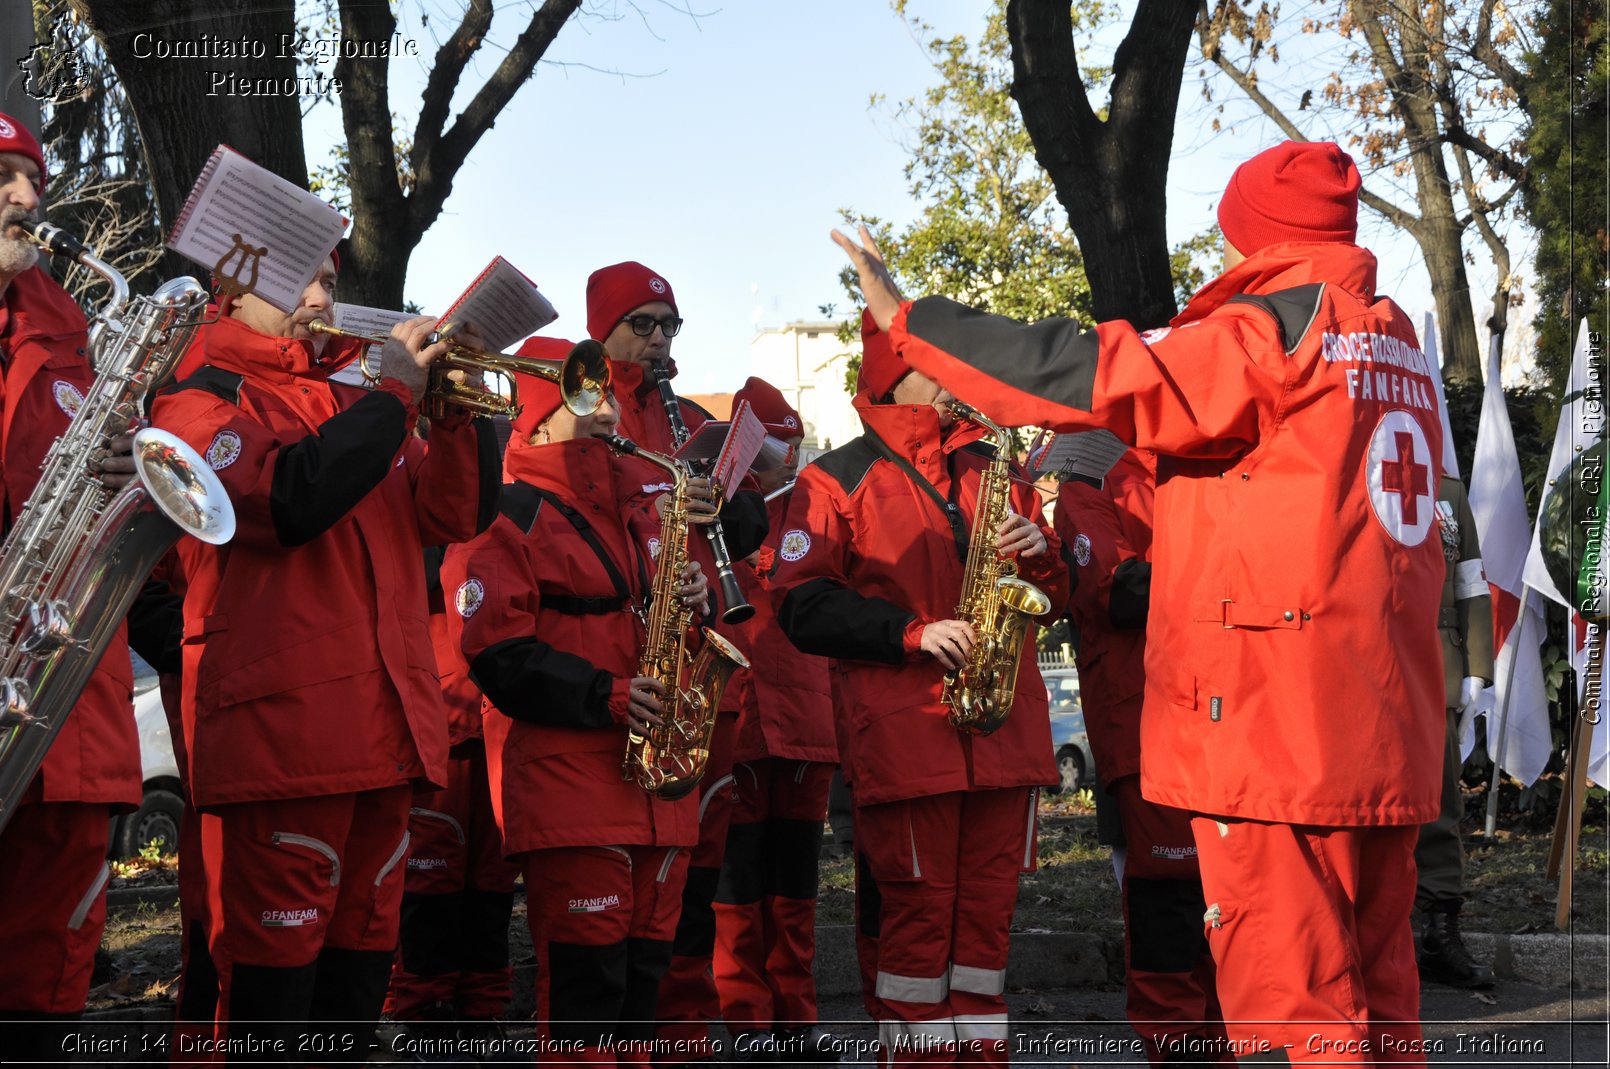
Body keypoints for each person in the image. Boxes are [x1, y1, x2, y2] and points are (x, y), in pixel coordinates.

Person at [836, 139, 1446, 1064]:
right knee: (1381, 997)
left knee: (1295, 1009)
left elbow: (1093, 370)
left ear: (1260, 236)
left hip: (1278, 733)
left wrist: (916, 321)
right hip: (1380, 726)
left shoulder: (1267, 334)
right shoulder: (1390, 335)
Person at [149, 249, 499, 1052]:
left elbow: (455, 517)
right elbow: (288, 498)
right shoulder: (198, 398)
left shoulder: (356, 399)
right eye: (297, 279)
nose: (318, 296)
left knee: (350, 1003)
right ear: (230, 291)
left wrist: (453, 419)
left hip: (382, 742)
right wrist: (394, 399)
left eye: (329, 281)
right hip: (283, 745)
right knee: (267, 1008)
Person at [771, 316, 1067, 1065]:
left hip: (1004, 735)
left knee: (983, 944)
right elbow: (801, 604)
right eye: (940, 360)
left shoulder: (996, 467)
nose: (957, 371)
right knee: (916, 935)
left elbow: (1055, 596)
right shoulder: (833, 476)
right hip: (908, 739)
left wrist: (1042, 555)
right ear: (894, 372)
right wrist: (911, 632)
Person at [440, 354, 708, 1065]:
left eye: (611, 394)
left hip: (658, 790)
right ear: (537, 412)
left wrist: (693, 608)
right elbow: (496, 655)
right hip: (573, 786)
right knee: (588, 1002)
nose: (608, 408)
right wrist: (608, 694)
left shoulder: (643, 513)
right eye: (583, 394)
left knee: (641, 996)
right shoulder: (503, 513)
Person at [0, 110, 158, 1064]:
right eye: (1, 176)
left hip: (61, 706)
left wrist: (123, 470)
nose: (25, 197)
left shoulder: (78, 331)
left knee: (45, 993)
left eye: (32, 178)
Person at [582, 261, 768, 1061]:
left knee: (689, 884)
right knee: (619, 898)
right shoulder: (582, 408)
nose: (659, 341)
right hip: (622, 670)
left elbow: (755, 512)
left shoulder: (690, 416)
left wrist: (721, 505)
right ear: (604, 332)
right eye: (642, 325)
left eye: (669, 326)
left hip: (694, 665)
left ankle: (683, 1035)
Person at [1053, 446, 1229, 1063]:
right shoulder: (1089, 481)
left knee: (1230, 905)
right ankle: (1180, 1051)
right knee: (1170, 901)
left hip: (1227, 714)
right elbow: (1119, 593)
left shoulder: (1213, 461)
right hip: (1147, 724)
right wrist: (1234, 567)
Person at [710, 377, 838, 1060]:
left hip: (807, 720)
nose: (788, 457)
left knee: (794, 883)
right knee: (739, 884)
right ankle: (748, 1020)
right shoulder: (714, 504)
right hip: (745, 720)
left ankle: (796, 1018)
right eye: (774, 443)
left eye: (790, 443)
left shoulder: (819, 500)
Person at [1414, 472, 1494, 988]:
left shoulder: (1446, 492)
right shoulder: (1339, 472)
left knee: (1440, 805)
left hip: (1435, 662)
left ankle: (1437, 935)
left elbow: (1469, 580)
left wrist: (1477, 665)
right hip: (1361, 663)